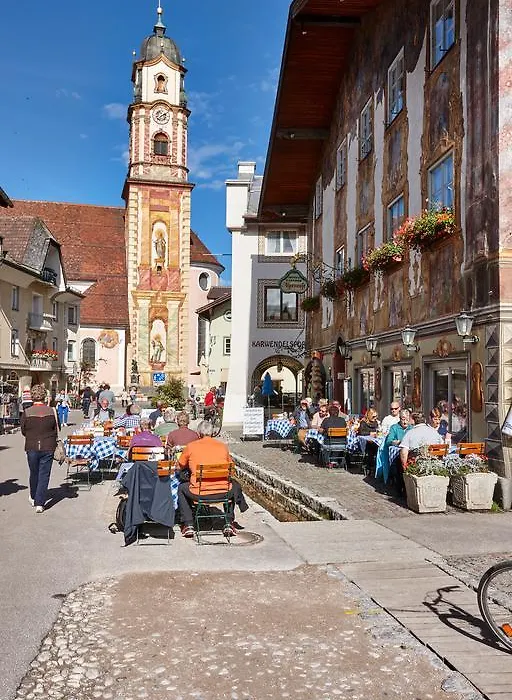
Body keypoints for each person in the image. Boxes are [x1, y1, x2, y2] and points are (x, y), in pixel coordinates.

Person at [177, 421, 248, 538]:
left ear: (198, 433)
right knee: (232, 486)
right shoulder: (222, 446)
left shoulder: (191, 446)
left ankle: (188, 524)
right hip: (223, 492)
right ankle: (229, 522)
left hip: (199, 492)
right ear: (212, 433)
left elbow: (180, 465)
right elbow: (231, 468)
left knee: (181, 488)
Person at [20, 384, 59, 513]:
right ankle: (40, 503)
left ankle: (33, 496)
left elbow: (23, 430)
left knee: (34, 472)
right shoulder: (52, 411)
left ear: (32, 397)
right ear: (44, 396)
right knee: (44, 474)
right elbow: (56, 429)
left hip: (31, 446)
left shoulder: (27, 412)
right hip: (48, 446)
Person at [384, 409, 412, 493]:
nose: (405, 422)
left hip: (409, 454)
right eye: (403, 419)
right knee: (399, 464)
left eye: (407, 419)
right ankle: (399, 487)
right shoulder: (394, 427)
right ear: (399, 419)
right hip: (397, 454)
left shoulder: (411, 428)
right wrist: (397, 442)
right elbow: (388, 441)